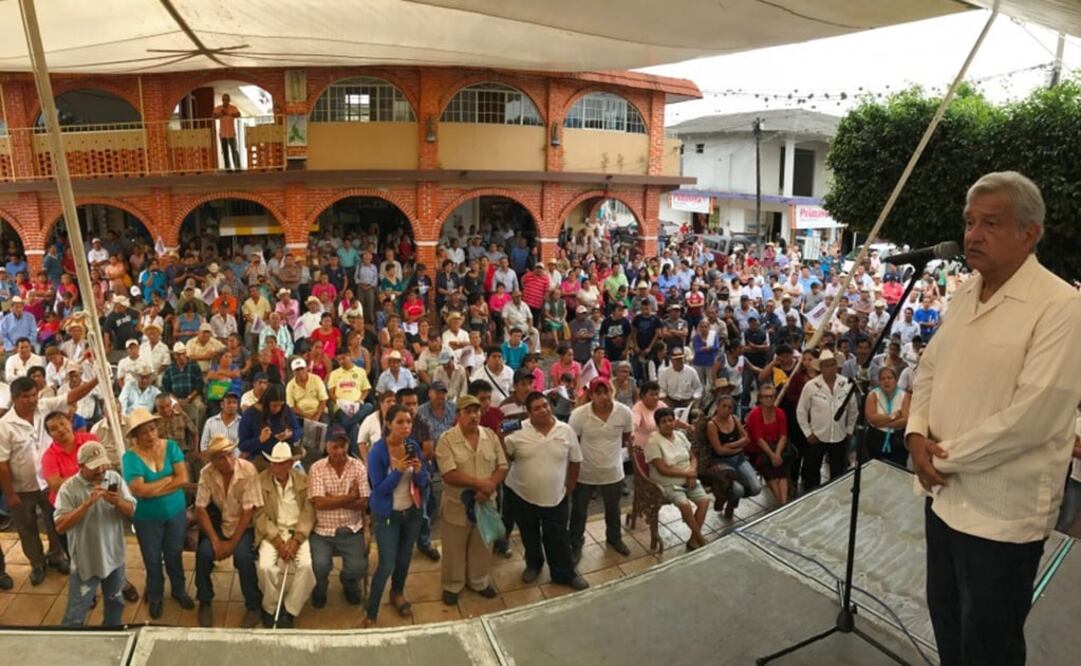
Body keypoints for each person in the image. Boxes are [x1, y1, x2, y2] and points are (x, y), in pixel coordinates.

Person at [906, 172, 1081, 665]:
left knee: (989, 644)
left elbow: (1033, 418)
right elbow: (931, 367)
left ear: (1030, 233)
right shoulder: (966, 292)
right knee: (946, 620)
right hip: (942, 498)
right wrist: (916, 434)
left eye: (991, 223)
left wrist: (939, 458)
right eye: (969, 222)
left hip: (1002, 514)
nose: (973, 235)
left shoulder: (1062, 307)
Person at [0, 373, 100, 588]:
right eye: (26, 396)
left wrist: (96, 380)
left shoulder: (45, 406)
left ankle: (56, 556)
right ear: (15, 398)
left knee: (55, 523)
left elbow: (72, 396)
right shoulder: (4, 425)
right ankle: (37, 564)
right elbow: (3, 463)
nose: (32, 400)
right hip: (22, 487)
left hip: (51, 483)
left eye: (34, 395)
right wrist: (9, 494)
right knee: (27, 528)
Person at [504, 392, 589, 591]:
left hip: (555, 496)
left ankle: (564, 574)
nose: (543, 410)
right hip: (522, 495)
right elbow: (505, 456)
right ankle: (534, 565)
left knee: (558, 536)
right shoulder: (517, 430)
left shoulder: (565, 430)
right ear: (528, 412)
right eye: (536, 408)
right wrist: (501, 436)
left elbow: (575, 460)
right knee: (529, 534)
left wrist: (570, 486)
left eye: (545, 405)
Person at [54, 442, 136, 627]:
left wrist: (118, 502)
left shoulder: (113, 478)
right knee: (75, 614)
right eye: (94, 467)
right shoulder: (69, 488)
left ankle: (111, 633)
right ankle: (70, 641)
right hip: (86, 562)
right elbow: (60, 526)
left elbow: (132, 511)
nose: (101, 470)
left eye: (102, 464)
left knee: (115, 604)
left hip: (114, 558)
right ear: (81, 467)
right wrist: (86, 504)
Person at [435, 394, 507, 604]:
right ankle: (452, 584)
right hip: (457, 505)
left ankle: (479, 581)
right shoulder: (447, 440)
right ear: (458, 415)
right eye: (468, 412)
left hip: (485, 503)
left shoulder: (490, 436)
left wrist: (489, 487)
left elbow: (502, 466)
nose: (474, 416)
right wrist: (481, 484)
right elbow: (449, 474)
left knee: (483, 545)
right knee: (454, 548)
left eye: (477, 411)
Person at [122, 407, 193, 620]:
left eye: (152, 429)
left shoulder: (170, 446)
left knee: (174, 553)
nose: (150, 435)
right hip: (147, 518)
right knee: (152, 558)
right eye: (144, 432)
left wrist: (153, 488)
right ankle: (155, 595)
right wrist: (169, 480)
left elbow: (184, 478)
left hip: (175, 512)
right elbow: (139, 491)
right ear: (135, 435)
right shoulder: (130, 457)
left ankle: (179, 590)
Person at [364, 404, 429, 627]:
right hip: (387, 516)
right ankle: (371, 610)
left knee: (404, 557)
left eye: (409, 422)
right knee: (386, 563)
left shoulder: (412, 446)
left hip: (411, 513)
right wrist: (398, 471)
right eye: (400, 422)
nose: (405, 426)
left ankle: (397, 593)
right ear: (389, 424)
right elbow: (378, 489)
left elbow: (423, 482)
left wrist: (418, 472)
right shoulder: (377, 452)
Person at [194, 434, 263, 628]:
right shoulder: (206, 473)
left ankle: (253, 605)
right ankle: (205, 601)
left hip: (243, 525)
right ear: (213, 461)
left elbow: (248, 512)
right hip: (219, 523)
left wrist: (232, 544)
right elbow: (200, 508)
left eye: (230, 454)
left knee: (243, 557)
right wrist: (216, 541)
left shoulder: (247, 470)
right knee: (204, 554)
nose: (228, 460)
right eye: (221, 457)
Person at [567, 377, 633, 562]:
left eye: (607, 392)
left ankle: (614, 538)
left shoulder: (624, 412)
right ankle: (576, 543)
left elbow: (625, 437)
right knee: (579, 511)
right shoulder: (579, 415)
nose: (604, 397)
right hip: (585, 473)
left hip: (613, 472)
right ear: (591, 395)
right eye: (599, 393)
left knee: (613, 509)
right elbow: (573, 444)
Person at [254, 442, 316, 628]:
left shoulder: (302, 480)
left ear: (290, 464)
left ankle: (290, 609)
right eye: (274, 463)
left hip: (297, 532)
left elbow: (308, 512)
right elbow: (259, 515)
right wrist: (278, 542)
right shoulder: (261, 481)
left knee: (306, 566)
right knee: (265, 567)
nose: (276, 467)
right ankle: (270, 607)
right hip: (273, 532)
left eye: (281, 464)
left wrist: (297, 540)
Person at [309, 426, 369, 608]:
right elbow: (319, 503)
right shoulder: (317, 468)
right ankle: (320, 590)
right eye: (335, 446)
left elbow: (364, 502)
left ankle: (348, 583)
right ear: (326, 447)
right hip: (322, 531)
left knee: (357, 568)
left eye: (343, 446)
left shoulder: (358, 466)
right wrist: (350, 497)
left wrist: (332, 500)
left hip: (352, 528)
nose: (340, 451)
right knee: (319, 566)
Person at [644, 407, 711, 550]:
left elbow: (693, 457)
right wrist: (688, 474)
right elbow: (663, 469)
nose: (668, 424)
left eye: (670, 420)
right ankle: (700, 538)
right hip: (668, 483)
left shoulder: (680, 435)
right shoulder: (654, 442)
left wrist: (692, 472)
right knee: (685, 505)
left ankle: (693, 540)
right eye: (664, 421)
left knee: (704, 501)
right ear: (658, 424)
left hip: (689, 478)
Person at [795, 350, 856, 492]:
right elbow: (801, 410)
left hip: (839, 436)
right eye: (826, 365)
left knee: (838, 472)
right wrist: (807, 432)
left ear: (837, 366)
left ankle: (835, 496)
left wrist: (849, 429)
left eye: (832, 364)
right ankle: (812, 495)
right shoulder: (811, 386)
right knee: (811, 470)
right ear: (821, 368)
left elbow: (853, 409)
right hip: (817, 436)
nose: (830, 368)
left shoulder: (846, 384)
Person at [702, 393, 762, 517]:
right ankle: (729, 501)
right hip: (721, 462)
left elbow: (746, 438)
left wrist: (731, 445)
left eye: (730, 407)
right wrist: (738, 448)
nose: (727, 410)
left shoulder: (734, 419)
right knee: (738, 490)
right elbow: (719, 450)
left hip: (739, 459)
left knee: (756, 488)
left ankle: (728, 496)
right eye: (724, 406)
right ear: (717, 407)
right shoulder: (712, 425)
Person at [745, 385, 791, 506]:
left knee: (781, 466)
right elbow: (758, 439)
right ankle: (781, 502)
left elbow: (783, 435)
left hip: (776, 447)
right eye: (765, 397)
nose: (769, 399)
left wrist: (777, 454)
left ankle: (784, 502)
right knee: (767, 466)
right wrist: (773, 456)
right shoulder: (755, 414)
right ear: (760, 398)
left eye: (771, 396)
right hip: (757, 449)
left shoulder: (780, 412)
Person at [238, 384, 301, 462]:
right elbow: (242, 445)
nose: (277, 409)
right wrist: (259, 439)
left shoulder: (285, 409)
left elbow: (298, 431)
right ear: (266, 403)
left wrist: (290, 434)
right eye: (274, 405)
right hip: (260, 458)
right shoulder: (250, 414)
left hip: (284, 457)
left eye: (280, 405)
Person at [865, 366, 909, 467]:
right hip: (875, 438)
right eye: (882, 379)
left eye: (889, 378)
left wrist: (883, 423)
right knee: (875, 469)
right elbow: (871, 418)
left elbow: (905, 420)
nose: (886, 381)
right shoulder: (873, 394)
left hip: (898, 440)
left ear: (896, 380)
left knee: (897, 470)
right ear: (879, 381)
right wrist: (893, 416)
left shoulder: (904, 395)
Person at [212, 93, 242, 171]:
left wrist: (229, 114)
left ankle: (237, 167)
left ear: (229, 100)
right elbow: (213, 115)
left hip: (231, 133)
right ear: (222, 100)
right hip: (223, 133)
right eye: (224, 99)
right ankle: (228, 168)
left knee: (234, 150)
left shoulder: (233, 108)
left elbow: (239, 115)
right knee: (225, 152)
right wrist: (221, 114)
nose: (225, 101)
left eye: (227, 99)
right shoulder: (219, 108)